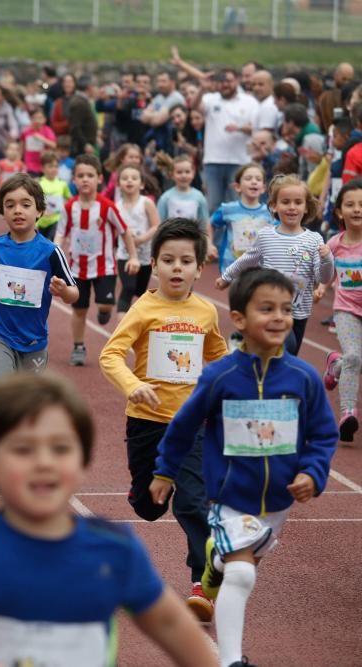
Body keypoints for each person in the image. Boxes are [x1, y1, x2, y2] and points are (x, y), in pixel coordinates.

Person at [0, 372, 218, 667]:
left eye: (60, 448)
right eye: (23, 449)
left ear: (83, 460)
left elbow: (172, 625)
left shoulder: (114, 549)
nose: (44, 462)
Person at [151, 268, 338, 667]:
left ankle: (215, 562)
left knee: (239, 564)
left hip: (278, 502)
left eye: (286, 309)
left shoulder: (303, 378)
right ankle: (231, 660)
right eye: (266, 308)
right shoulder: (221, 377)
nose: (279, 317)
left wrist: (313, 473)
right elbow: (183, 427)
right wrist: (165, 471)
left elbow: (323, 435)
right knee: (243, 575)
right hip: (228, 497)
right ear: (238, 319)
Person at [100, 217, 227, 621]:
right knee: (149, 508)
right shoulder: (143, 308)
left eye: (185, 261)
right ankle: (145, 491)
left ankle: (202, 584)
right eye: (168, 260)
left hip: (193, 423)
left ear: (199, 268)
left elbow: (218, 357)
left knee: (193, 501)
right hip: (147, 421)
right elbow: (111, 355)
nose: (177, 268)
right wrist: (132, 384)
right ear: (154, 264)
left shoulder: (206, 311)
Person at [0, 174, 78, 382]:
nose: (18, 210)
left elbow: (73, 295)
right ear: (2, 212)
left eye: (25, 204)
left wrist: (64, 291)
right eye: (10, 205)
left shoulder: (51, 252)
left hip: (34, 341)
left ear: (40, 210)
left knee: (25, 400)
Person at [217, 175, 334, 356]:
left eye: (298, 202)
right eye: (285, 202)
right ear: (274, 206)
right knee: (284, 348)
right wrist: (227, 276)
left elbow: (322, 277)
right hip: (271, 308)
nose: (292, 207)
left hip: (299, 311)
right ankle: (247, 350)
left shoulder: (314, 240)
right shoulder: (266, 236)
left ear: (306, 207)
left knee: (290, 355)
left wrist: (327, 259)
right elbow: (247, 259)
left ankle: (247, 351)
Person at [55, 154, 140, 366]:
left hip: (104, 268)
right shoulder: (69, 207)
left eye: (90, 175)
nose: (85, 179)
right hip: (76, 269)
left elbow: (125, 231)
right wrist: (55, 256)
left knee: (103, 304)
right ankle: (78, 346)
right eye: (81, 175)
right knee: (79, 309)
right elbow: (60, 234)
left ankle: (105, 310)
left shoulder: (107, 206)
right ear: (73, 180)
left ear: (99, 178)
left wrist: (133, 257)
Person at [321, 179, 362, 442]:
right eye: (350, 204)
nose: (357, 209)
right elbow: (325, 275)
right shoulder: (334, 245)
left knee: (350, 360)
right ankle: (348, 412)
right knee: (356, 357)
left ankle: (335, 365)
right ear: (339, 211)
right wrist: (320, 289)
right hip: (346, 310)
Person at [198, 69, 260, 214]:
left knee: (238, 207)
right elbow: (194, 106)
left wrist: (239, 128)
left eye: (229, 81)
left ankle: (238, 237)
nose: (225, 85)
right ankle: (214, 237)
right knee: (213, 207)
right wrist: (201, 88)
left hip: (240, 162)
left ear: (237, 81)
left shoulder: (249, 101)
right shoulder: (210, 98)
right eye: (222, 81)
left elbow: (256, 128)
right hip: (213, 161)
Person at [114, 165, 161, 319]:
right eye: (125, 178)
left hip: (145, 256)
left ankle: (138, 322)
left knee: (140, 292)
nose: (129, 181)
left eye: (134, 178)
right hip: (124, 255)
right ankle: (122, 327)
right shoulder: (116, 207)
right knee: (128, 287)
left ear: (141, 184)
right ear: (119, 184)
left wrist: (141, 239)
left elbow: (156, 226)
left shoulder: (146, 203)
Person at [210, 163, 272, 274]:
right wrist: (208, 243)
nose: (254, 181)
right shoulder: (228, 209)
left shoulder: (270, 213)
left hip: (260, 267)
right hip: (232, 265)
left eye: (258, 179)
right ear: (237, 187)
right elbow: (211, 223)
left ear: (263, 188)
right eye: (248, 178)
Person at [157, 155, 212, 254]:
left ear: (193, 173)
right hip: (171, 242)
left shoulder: (199, 197)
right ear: (172, 174)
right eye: (179, 172)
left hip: (192, 243)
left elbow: (204, 223)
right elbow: (159, 223)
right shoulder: (166, 197)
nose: (183, 175)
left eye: (187, 172)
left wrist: (208, 244)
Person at [37, 151, 72, 241]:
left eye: (56, 166)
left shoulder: (62, 184)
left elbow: (70, 198)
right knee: (43, 244)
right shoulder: (39, 184)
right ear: (42, 168)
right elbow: (34, 201)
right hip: (42, 221)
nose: (54, 169)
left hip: (57, 219)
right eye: (50, 166)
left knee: (52, 242)